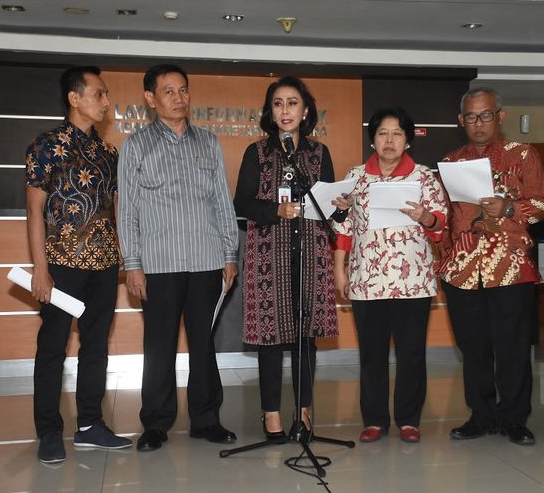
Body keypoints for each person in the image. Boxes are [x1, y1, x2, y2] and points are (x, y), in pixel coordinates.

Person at [118, 64, 239, 452]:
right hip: (159, 265)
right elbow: (128, 210)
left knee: (204, 343)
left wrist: (229, 253)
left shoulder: (208, 142)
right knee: (160, 346)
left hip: (206, 261)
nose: (179, 98)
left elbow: (222, 201)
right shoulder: (136, 145)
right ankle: (156, 423)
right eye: (168, 92)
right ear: (150, 99)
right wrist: (132, 263)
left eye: (183, 90)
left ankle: (206, 419)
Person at [25, 66, 132, 463]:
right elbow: (34, 212)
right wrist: (40, 267)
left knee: (95, 347)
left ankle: (90, 425)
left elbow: (115, 210)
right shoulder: (46, 145)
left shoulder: (109, 153)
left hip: (104, 266)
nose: (106, 101)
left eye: (106, 95)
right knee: (52, 347)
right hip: (60, 264)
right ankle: (48, 430)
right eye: (99, 94)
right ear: (75, 98)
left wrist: (123, 254)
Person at [438, 88, 544, 446]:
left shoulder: (523, 155)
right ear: (461, 121)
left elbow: (541, 205)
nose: (478, 123)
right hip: (463, 272)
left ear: (500, 116)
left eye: (485, 115)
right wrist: (444, 259)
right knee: (474, 349)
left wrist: (511, 208)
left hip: (511, 270)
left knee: (513, 348)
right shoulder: (451, 161)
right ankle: (481, 415)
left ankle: (515, 418)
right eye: (470, 117)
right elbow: (445, 218)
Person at [332, 107, 447, 443]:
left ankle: (409, 420)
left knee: (412, 353)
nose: (390, 140)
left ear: (407, 140)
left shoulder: (424, 178)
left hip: (414, 282)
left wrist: (426, 216)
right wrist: (340, 269)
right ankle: (375, 420)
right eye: (383, 133)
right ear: (373, 140)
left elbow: (440, 228)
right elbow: (344, 228)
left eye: (397, 134)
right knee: (372, 354)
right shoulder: (356, 176)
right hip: (367, 279)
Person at [234, 76, 339, 441]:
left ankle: (304, 412)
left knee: (304, 338)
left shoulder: (318, 153)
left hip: (310, 257)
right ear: (270, 112)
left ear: (305, 110)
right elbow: (242, 204)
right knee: (270, 339)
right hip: (268, 256)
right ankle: (272, 415)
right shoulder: (257, 153)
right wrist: (276, 211)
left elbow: (329, 208)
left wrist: (339, 207)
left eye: (292, 103)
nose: (285, 110)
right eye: (278, 104)